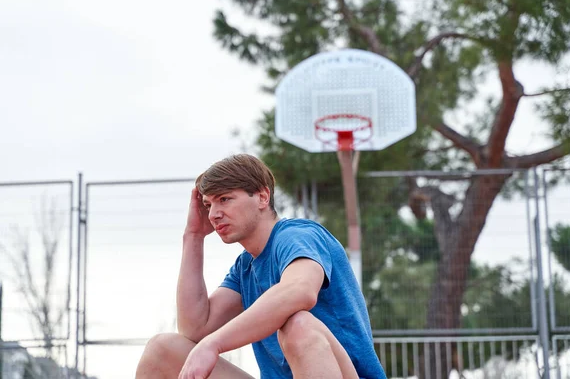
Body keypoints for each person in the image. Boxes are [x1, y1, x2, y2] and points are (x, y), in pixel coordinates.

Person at [136, 154, 386, 379]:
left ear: (263, 197)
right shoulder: (245, 266)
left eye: (224, 199)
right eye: (209, 205)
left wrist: (214, 344)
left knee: (299, 326)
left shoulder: (297, 236)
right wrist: (193, 236)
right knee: (162, 349)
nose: (214, 214)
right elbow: (195, 328)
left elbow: (300, 290)